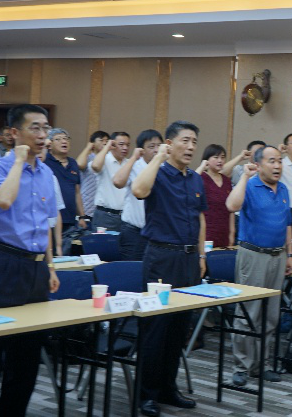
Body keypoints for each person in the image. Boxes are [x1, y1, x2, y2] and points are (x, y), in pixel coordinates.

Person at [0, 104, 60, 416]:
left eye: (46, 128)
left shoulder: (46, 173)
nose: (43, 135)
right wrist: (19, 161)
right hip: (4, 263)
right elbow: (4, 200)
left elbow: (46, 225)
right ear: (14, 133)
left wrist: (50, 266)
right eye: (35, 128)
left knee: (26, 357)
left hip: (36, 269)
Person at [131, 121, 207, 417]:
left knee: (179, 329)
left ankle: (168, 388)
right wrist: (158, 158)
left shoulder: (195, 179)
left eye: (194, 142)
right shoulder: (157, 173)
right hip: (161, 258)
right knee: (156, 330)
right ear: (170, 143)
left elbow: (199, 219)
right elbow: (138, 190)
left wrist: (201, 255)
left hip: (188, 260)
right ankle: (146, 394)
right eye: (185, 141)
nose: (190, 147)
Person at [226, 146, 292, 387]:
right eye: (272, 161)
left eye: (280, 161)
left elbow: (287, 224)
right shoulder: (250, 185)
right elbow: (231, 206)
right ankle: (241, 367)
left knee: (270, 315)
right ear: (258, 164)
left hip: (278, 256)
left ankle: (261, 365)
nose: (277, 166)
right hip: (253, 256)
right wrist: (245, 177)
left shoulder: (283, 189)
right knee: (248, 314)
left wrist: (290, 254)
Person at [112, 129, 162, 260]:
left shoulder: (164, 168)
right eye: (151, 146)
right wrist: (134, 158)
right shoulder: (134, 165)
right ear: (142, 150)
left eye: (159, 146)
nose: (156, 150)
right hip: (134, 232)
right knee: (132, 268)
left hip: (157, 233)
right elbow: (117, 182)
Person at [43, 128, 86, 238]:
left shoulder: (73, 163)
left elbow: (77, 192)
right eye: (58, 139)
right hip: (50, 218)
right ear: (50, 144)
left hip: (70, 219)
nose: (64, 141)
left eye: (66, 139)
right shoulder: (44, 162)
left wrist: (81, 216)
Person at [196, 144, 235, 248]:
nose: (220, 161)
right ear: (207, 160)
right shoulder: (200, 178)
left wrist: (232, 232)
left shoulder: (226, 181)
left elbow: (231, 209)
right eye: (216, 157)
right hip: (206, 232)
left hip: (224, 232)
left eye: (222, 157)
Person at [90, 131, 130, 232]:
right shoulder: (104, 159)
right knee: (102, 242)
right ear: (112, 144)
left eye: (128, 145)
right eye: (121, 144)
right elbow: (95, 166)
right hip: (105, 216)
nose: (125, 148)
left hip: (125, 217)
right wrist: (107, 147)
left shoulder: (129, 163)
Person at [76, 130, 109, 220]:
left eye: (107, 141)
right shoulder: (88, 157)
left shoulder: (109, 159)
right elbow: (79, 164)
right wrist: (88, 148)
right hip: (87, 204)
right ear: (93, 143)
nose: (105, 143)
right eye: (101, 140)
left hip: (102, 208)